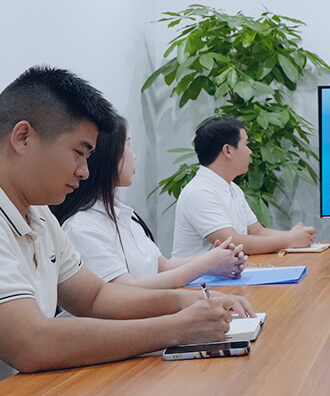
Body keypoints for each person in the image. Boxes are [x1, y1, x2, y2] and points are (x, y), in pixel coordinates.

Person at [0, 67, 253, 380]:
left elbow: (96, 297)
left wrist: (194, 299)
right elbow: (31, 343)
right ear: (23, 138)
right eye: (78, 153)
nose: (84, 171)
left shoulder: (39, 215)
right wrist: (176, 327)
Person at [52, 114, 247, 288]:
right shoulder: (82, 227)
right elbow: (126, 291)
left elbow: (162, 266)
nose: (134, 155)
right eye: (128, 145)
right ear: (107, 155)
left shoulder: (123, 213)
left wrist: (215, 262)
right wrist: (206, 263)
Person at [172, 116, 316, 257]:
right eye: (246, 144)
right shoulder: (199, 192)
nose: (250, 151)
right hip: (201, 274)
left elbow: (258, 232)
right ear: (228, 150)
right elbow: (233, 242)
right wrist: (290, 240)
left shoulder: (233, 188)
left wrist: (294, 235)